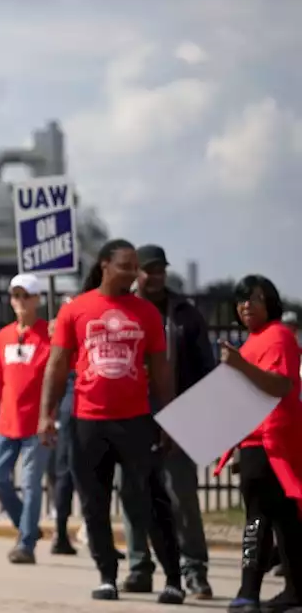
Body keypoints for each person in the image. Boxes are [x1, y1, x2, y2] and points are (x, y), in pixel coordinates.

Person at [37, 238, 183, 604]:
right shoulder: (76, 310)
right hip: (88, 423)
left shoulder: (146, 313)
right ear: (104, 265)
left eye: (136, 266)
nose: (134, 272)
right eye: (126, 265)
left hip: (135, 422)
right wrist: (46, 413)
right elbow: (56, 366)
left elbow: (161, 371)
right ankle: (107, 576)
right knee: (94, 503)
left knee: (148, 500)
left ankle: (174, 579)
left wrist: (168, 420)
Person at [122, 244, 216, 598]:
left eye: (160, 268)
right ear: (136, 273)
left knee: (182, 497)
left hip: (179, 417)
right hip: (131, 416)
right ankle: (139, 568)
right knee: (133, 494)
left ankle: (194, 570)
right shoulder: (122, 309)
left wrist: (197, 416)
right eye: (149, 269)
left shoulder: (185, 313)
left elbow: (205, 368)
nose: (156, 275)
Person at [212, 275, 302, 612]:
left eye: (255, 298)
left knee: (258, 517)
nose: (246, 304)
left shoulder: (277, 336)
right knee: (285, 519)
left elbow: (279, 386)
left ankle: (248, 591)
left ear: (271, 303)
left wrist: (239, 365)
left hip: (271, 441)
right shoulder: (252, 341)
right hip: (255, 441)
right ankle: (295, 591)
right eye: (241, 299)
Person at [0, 274, 53, 565]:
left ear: (37, 300)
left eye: (26, 296)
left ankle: (25, 544)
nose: (20, 301)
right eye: (15, 296)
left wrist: (52, 416)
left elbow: (60, 377)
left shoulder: (50, 334)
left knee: (31, 484)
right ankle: (28, 527)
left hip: (37, 425)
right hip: (6, 424)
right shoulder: (4, 336)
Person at [47, 294, 79, 556]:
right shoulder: (61, 331)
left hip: (75, 390)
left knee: (67, 470)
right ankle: (60, 529)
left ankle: (63, 529)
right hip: (72, 390)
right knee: (65, 470)